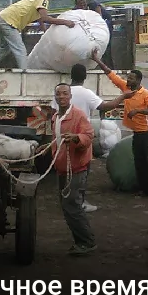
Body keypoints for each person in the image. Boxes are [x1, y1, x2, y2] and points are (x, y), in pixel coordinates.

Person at [50, 63, 135, 212]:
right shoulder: (85, 93)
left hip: (62, 134)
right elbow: (106, 106)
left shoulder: (61, 93)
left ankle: (66, 199)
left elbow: (52, 112)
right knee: (82, 169)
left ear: (71, 76)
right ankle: (79, 202)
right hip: (80, 135)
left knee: (63, 168)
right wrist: (123, 96)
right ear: (85, 77)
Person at [91, 48, 148, 197]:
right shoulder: (125, 88)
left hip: (147, 133)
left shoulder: (145, 94)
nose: (128, 80)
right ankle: (145, 189)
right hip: (137, 133)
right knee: (139, 162)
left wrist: (137, 111)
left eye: (131, 78)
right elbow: (109, 73)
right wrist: (96, 60)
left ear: (138, 80)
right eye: (128, 78)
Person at [0, 0, 75, 69]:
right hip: (8, 22)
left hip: (3, 17)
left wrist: (45, 31)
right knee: (20, 50)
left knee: (5, 48)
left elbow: (40, 18)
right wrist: (66, 22)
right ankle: (25, 73)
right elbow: (45, 18)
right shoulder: (43, 0)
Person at [51, 83, 96, 256]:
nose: (61, 97)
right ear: (55, 97)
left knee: (72, 205)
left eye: (64, 94)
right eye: (58, 94)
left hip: (76, 168)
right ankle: (82, 241)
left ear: (70, 96)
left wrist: (77, 138)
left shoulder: (78, 115)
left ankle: (87, 242)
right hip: (63, 168)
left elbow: (89, 135)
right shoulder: (56, 117)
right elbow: (56, 141)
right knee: (67, 205)